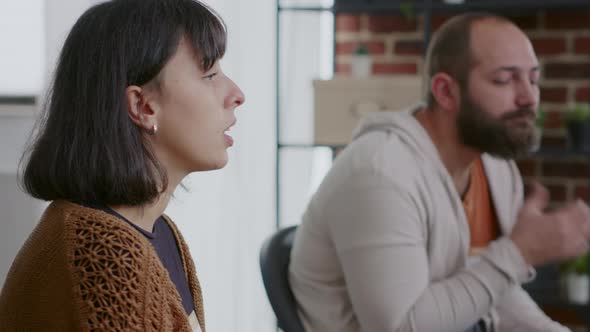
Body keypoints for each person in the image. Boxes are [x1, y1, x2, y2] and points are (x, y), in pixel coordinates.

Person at [289, 13, 590, 332]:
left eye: (533, 78)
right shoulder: (379, 175)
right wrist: (519, 251)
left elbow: (493, 288)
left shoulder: (494, 166)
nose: (529, 97)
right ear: (445, 91)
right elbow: (401, 327)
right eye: (505, 79)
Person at [0, 0, 244, 331]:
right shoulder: (103, 254)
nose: (236, 94)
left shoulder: (161, 233)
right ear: (142, 106)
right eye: (209, 74)